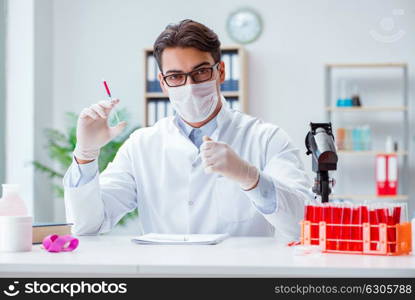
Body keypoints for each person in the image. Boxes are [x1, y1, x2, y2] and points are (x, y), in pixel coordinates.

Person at [63, 19, 313, 242]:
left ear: (221, 72)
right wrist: (86, 154)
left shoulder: (266, 138)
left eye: (201, 72)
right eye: (175, 76)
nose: (190, 86)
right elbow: (87, 226)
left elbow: (302, 225)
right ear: (162, 83)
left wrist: (250, 178)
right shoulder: (141, 145)